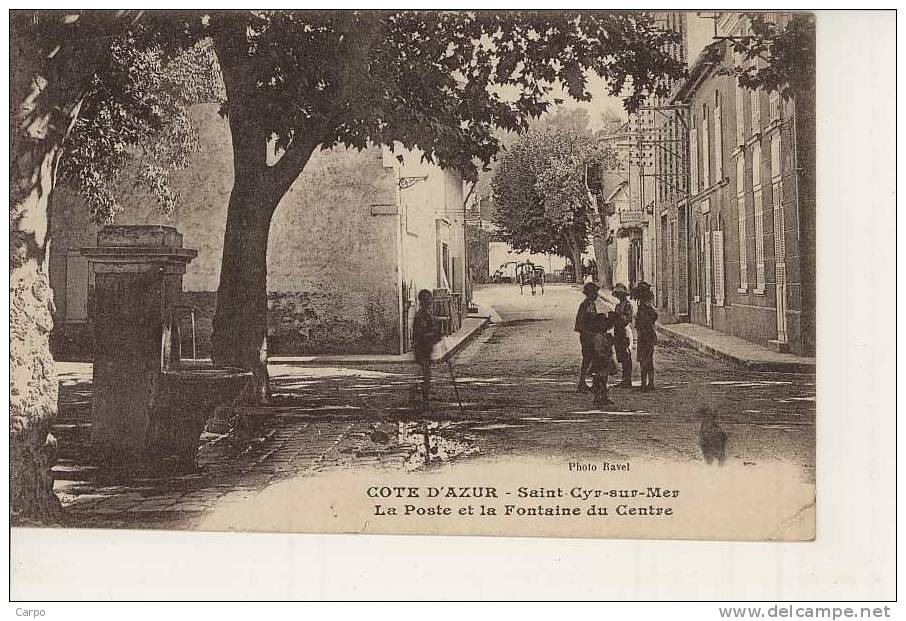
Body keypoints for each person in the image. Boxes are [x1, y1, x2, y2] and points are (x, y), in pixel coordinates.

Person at [412, 289, 443, 409]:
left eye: (429, 300)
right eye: (426, 300)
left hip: (427, 348)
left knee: (424, 373)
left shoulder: (428, 315)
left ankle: (419, 396)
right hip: (421, 349)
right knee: (425, 374)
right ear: (422, 302)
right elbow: (421, 335)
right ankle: (423, 399)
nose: (429, 302)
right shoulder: (420, 316)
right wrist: (435, 335)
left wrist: (437, 335)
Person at [574, 281, 600, 392]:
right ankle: (582, 382)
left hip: (592, 335)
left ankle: (594, 383)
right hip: (587, 335)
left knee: (594, 359)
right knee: (587, 359)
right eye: (594, 293)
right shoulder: (585, 305)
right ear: (589, 293)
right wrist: (587, 333)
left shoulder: (592, 304)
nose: (596, 295)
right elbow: (579, 322)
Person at [634, 281, 659, 390]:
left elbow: (648, 319)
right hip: (647, 334)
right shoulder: (647, 306)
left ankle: (646, 383)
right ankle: (649, 383)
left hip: (645, 335)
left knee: (644, 359)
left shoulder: (644, 307)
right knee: (647, 359)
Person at [590, 313, 617, 406]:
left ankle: (603, 396)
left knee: (604, 378)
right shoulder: (598, 336)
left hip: (604, 359)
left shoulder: (604, 335)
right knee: (599, 378)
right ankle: (597, 397)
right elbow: (598, 349)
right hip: (600, 359)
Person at [611, 283, 634, 388]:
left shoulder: (628, 305)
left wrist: (618, 317)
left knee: (626, 355)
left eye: (620, 294)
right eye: (617, 294)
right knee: (621, 355)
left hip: (624, 331)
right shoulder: (617, 306)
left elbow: (627, 319)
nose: (619, 296)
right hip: (617, 331)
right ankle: (624, 379)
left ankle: (627, 379)